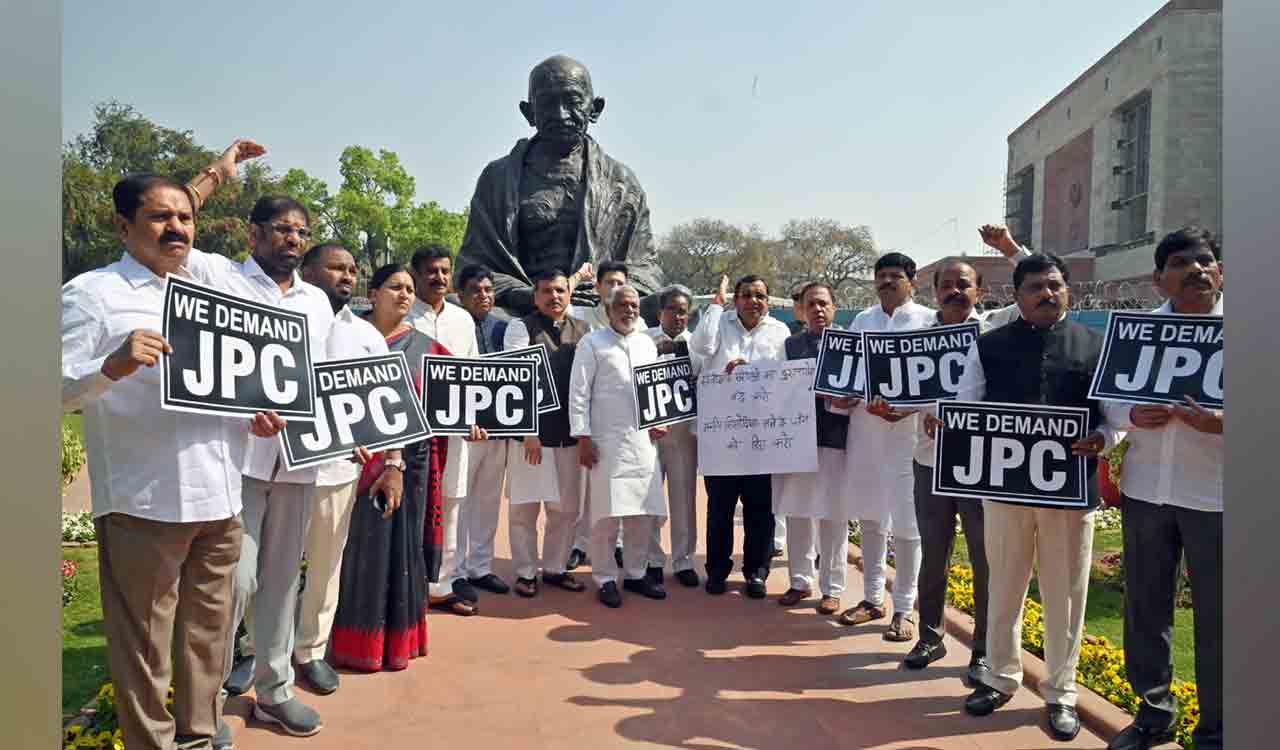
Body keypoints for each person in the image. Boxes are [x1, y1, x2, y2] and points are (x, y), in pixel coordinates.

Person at [61, 170, 284, 750]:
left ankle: (198, 735)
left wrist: (254, 413)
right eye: (160, 217)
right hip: (143, 498)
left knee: (208, 635)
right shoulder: (92, 294)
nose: (176, 228)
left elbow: (225, 385)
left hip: (218, 494)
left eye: (184, 218)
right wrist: (111, 366)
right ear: (123, 224)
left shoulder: (209, 293)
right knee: (144, 643)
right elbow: (52, 388)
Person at [941, 253, 1115, 742]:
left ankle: (1061, 694)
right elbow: (967, 404)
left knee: (1064, 596)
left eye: (1055, 285)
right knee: (1004, 587)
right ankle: (999, 676)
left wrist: (1103, 439)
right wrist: (951, 427)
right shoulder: (990, 345)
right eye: (1036, 287)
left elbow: (1113, 415)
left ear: (1069, 291)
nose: (1047, 294)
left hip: (1070, 491)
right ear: (1016, 297)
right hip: (1005, 492)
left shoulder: (1094, 345)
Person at [196, 194, 336, 737]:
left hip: (299, 464)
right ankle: (202, 705)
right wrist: (216, 174)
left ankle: (275, 691)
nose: (293, 239)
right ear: (253, 234)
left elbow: (323, 384)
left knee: (282, 581)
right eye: (281, 229)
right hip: (237, 461)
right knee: (236, 581)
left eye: (301, 231)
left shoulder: (316, 303)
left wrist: (354, 435)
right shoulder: (222, 279)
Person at [1100, 227, 1223, 750]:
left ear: (1220, 270)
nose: (1196, 269)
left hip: (1218, 495)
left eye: (1205, 260)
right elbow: (1104, 401)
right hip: (1148, 490)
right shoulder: (1134, 334)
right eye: (1181, 262)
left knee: (1222, 614)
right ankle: (1154, 713)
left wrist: (1224, 423)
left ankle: (1219, 730)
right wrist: (1130, 413)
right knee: (1146, 607)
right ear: (1158, 279)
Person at [454, 54, 663, 320]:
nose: (560, 114)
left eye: (573, 101)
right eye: (547, 103)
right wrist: (535, 295)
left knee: (671, 299)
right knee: (454, 308)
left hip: (599, 307)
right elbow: (472, 267)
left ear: (595, 108)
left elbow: (647, 270)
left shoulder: (621, 182)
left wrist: (608, 290)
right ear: (529, 112)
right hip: (520, 309)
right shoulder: (498, 178)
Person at [326, 264, 455, 672]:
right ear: (374, 291)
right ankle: (333, 643)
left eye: (409, 289)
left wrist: (470, 419)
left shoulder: (429, 347)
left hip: (407, 464)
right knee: (341, 552)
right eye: (395, 287)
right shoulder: (346, 336)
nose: (404, 295)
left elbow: (456, 399)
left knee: (397, 550)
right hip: (347, 458)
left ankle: (390, 644)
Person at [290, 243, 400, 696]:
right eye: (337, 267)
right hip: (275, 470)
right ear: (309, 270)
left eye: (354, 269)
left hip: (337, 472)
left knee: (324, 567)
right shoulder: (280, 319)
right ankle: (254, 649)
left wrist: (390, 460)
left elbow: (386, 406)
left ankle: (310, 653)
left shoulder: (367, 336)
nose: (348, 275)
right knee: (262, 572)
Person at [901, 259, 1006, 685]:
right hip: (930, 459)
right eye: (946, 285)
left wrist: (1008, 248)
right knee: (933, 553)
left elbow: (1047, 290)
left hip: (981, 464)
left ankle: (983, 649)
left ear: (979, 290)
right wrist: (916, 411)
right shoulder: (919, 339)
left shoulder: (995, 332)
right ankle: (930, 635)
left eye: (964, 284)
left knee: (986, 558)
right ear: (934, 292)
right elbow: (904, 393)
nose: (955, 291)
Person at [835, 253, 935, 641]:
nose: (887, 281)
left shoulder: (927, 321)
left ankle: (904, 609)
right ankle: (873, 598)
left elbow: (936, 381)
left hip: (908, 436)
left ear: (912, 282)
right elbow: (849, 374)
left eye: (896, 276)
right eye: (881, 276)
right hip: (866, 431)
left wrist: (907, 408)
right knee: (872, 517)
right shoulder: (863, 321)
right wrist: (843, 396)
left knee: (908, 527)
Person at [687, 274, 791, 597]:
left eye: (760, 295)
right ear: (736, 299)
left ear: (768, 300)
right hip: (722, 436)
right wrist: (716, 305)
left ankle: (756, 572)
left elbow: (786, 378)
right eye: (746, 295)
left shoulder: (780, 332)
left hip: (762, 435)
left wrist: (754, 370)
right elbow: (700, 346)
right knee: (720, 507)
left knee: (760, 509)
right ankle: (717, 570)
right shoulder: (720, 323)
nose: (753, 301)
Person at [569, 285, 670, 607]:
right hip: (605, 444)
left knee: (642, 513)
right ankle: (606, 577)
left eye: (635, 307)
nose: (629, 312)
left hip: (642, 444)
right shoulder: (592, 343)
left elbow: (654, 390)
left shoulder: (646, 344)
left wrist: (659, 419)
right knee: (606, 516)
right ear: (609, 309)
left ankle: (637, 574)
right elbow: (579, 394)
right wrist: (583, 437)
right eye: (623, 306)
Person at [503, 269, 592, 597]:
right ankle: (526, 572)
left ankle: (555, 568)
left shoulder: (584, 330)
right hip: (532, 436)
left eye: (560, 290)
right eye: (546, 291)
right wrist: (528, 430)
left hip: (569, 434)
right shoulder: (520, 328)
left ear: (569, 293)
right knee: (525, 509)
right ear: (535, 295)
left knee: (567, 509)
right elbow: (516, 378)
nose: (554, 296)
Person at [405, 244, 482, 615]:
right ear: (416, 274)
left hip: (454, 432)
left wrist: (476, 418)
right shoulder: (402, 316)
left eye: (445, 271)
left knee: (452, 503)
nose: (439, 278)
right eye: (431, 271)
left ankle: (443, 584)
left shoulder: (463, 320)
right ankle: (409, 585)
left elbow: (473, 374)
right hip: (411, 431)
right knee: (413, 507)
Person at [772, 281, 850, 615]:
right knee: (798, 512)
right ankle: (800, 581)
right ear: (801, 310)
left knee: (834, 514)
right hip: (799, 441)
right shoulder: (789, 346)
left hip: (838, 439)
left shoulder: (851, 345)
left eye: (823, 303)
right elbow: (775, 386)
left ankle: (832, 588)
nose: (818, 309)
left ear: (833, 307)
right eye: (811, 304)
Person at [567, 260, 640, 570]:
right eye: (609, 283)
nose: (615, 288)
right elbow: (579, 390)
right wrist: (576, 277)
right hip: (595, 430)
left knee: (626, 493)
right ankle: (580, 546)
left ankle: (620, 548)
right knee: (589, 496)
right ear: (597, 287)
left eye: (620, 283)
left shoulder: (640, 334)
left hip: (631, 431)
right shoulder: (584, 322)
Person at [454, 265, 513, 595]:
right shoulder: (452, 325)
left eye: (488, 290)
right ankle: (456, 569)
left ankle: (480, 566)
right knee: (459, 498)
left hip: (498, 428)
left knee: (488, 500)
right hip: (463, 429)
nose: (483, 296)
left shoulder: (504, 328)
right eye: (475, 290)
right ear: (460, 294)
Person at [643, 285, 702, 588]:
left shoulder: (698, 345)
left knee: (684, 500)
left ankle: (683, 561)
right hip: (649, 435)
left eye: (683, 311)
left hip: (682, 434)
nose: (679, 316)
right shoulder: (641, 341)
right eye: (672, 310)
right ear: (659, 313)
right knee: (649, 499)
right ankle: (652, 560)